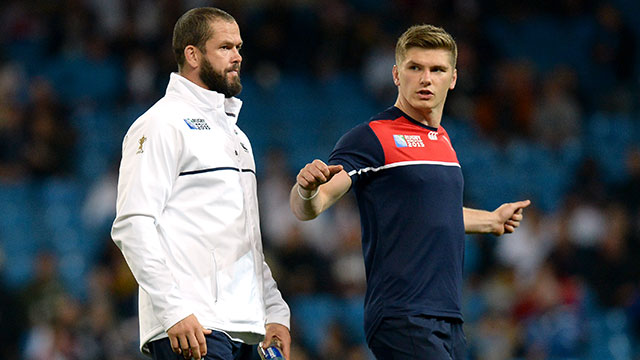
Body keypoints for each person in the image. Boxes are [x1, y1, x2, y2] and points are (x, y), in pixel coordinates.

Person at [290, 24, 530, 359]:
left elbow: (430, 213)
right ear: (396, 75)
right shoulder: (372, 137)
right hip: (403, 313)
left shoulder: (444, 141)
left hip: (448, 318)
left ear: (454, 78)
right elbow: (312, 206)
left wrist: (491, 220)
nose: (426, 78)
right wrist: (305, 190)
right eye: (415, 67)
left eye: (437, 69)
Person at [111, 7, 290, 360]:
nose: (237, 56)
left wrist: (274, 309)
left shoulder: (237, 137)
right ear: (192, 54)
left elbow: (248, 237)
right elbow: (133, 225)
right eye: (225, 47)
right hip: (193, 327)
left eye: (239, 47)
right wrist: (174, 309)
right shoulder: (161, 123)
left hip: (245, 329)